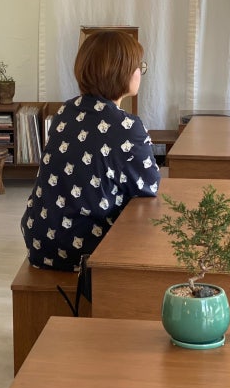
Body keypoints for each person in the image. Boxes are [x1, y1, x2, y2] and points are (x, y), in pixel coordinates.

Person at [21, 30, 162, 274]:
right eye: (138, 66)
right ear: (121, 72)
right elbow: (149, 186)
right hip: (85, 249)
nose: (140, 72)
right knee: (152, 227)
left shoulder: (65, 111)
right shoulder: (127, 126)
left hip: (39, 239)